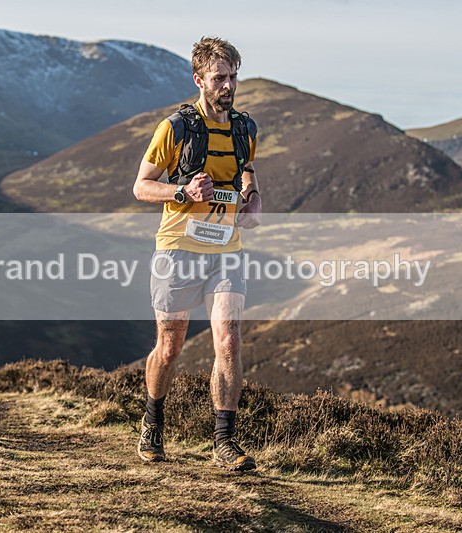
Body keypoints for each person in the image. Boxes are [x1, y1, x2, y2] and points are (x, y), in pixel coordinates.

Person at [132, 36, 262, 471]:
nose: (228, 85)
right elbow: (141, 185)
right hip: (178, 248)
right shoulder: (176, 128)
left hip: (227, 249)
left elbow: (246, 169)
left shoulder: (245, 128)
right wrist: (182, 190)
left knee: (229, 339)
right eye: (219, 78)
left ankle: (223, 440)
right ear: (199, 79)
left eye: (233, 77)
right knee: (169, 347)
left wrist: (253, 195)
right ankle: (152, 422)